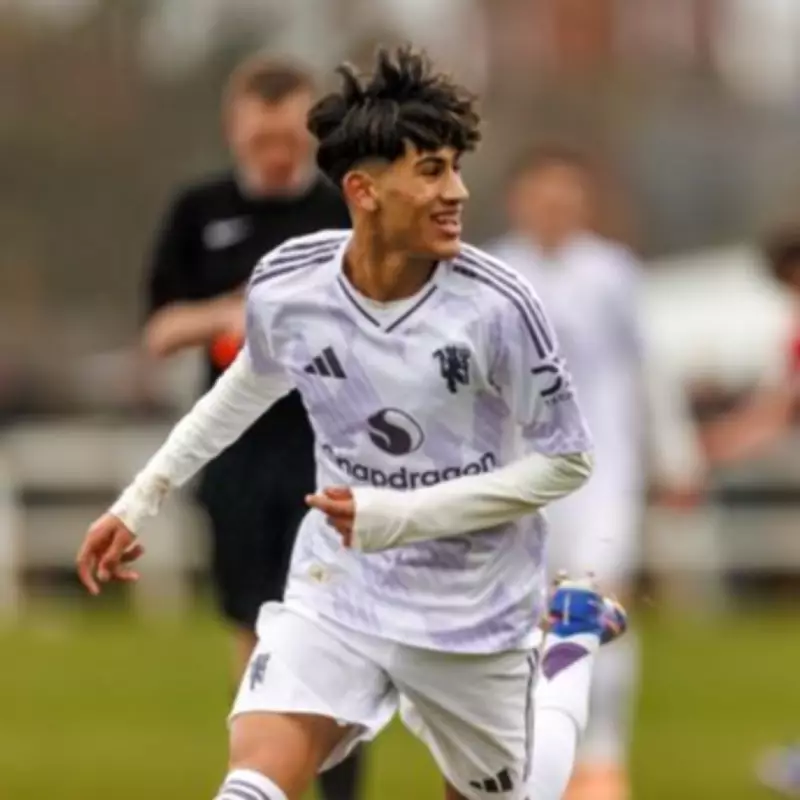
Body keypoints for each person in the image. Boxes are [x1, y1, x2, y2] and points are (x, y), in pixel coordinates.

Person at [77, 47, 627, 800]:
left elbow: (568, 460)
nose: (456, 191)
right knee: (250, 783)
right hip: (339, 590)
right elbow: (244, 389)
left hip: (473, 610)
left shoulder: (499, 306)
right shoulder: (290, 283)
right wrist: (139, 500)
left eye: (455, 168)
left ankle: (568, 641)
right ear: (363, 191)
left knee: (520, 792)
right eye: (430, 171)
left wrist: (401, 515)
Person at [141, 55, 360, 799]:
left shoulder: (342, 208)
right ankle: (267, 779)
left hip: (327, 450)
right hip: (237, 452)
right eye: (261, 138)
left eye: (290, 139)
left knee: (334, 631)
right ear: (235, 130)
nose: (276, 154)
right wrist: (238, 312)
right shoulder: (200, 211)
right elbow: (161, 328)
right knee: (257, 631)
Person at [488, 148, 643, 800]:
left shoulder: (612, 272)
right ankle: (532, 758)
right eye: (542, 193)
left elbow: (642, 370)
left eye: (566, 194)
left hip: (602, 472)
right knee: (522, 618)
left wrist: (675, 455)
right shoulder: (493, 272)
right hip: (517, 473)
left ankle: (602, 759)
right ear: (519, 200)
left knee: (598, 604)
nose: (554, 206)